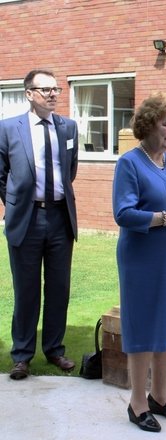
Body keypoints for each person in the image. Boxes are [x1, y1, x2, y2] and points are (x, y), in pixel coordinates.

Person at [112, 92, 166, 432]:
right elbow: (123, 213)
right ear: (149, 124)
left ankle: (160, 395)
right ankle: (137, 402)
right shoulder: (129, 163)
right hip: (142, 259)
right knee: (144, 325)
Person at [0, 69, 79, 380]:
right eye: (44, 89)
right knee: (26, 289)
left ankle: (55, 349)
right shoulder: (7, 129)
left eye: (55, 89)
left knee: (59, 288)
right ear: (29, 94)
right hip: (26, 219)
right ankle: (22, 355)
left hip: (60, 217)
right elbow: (1, 174)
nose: (52, 94)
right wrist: (17, 201)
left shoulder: (69, 127)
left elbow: (69, 170)